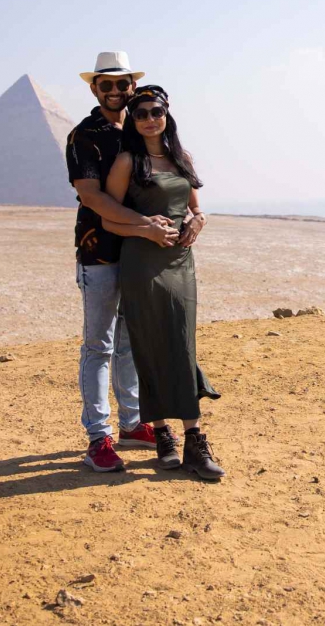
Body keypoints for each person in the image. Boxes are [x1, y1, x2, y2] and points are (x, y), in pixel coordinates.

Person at [103, 85, 225, 480]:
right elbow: (108, 218)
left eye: (156, 111)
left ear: (167, 114)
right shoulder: (127, 161)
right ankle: (163, 436)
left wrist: (198, 220)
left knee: (181, 341)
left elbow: (195, 207)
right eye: (140, 114)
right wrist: (144, 229)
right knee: (150, 342)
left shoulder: (181, 158)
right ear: (133, 121)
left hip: (180, 261)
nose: (149, 119)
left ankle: (195, 441)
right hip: (142, 261)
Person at [66, 51, 179, 472]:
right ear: (93, 88)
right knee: (99, 345)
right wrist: (145, 224)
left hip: (139, 254)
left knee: (130, 341)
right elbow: (92, 196)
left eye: (121, 84)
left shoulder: (139, 131)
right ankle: (99, 437)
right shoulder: (85, 134)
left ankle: (132, 423)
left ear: (133, 86)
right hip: (100, 253)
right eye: (105, 84)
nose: (115, 91)